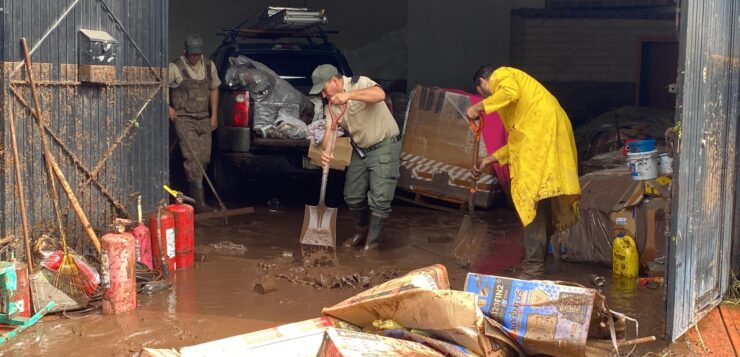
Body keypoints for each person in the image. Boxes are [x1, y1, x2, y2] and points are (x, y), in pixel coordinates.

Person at [467, 65, 580, 278]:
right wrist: (490, 159)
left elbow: (509, 93)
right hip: (543, 136)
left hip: (542, 136)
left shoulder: (501, 75)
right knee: (541, 199)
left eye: (482, 92)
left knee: (529, 199)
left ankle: (533, 268)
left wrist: (478, 107)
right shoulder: (520, 107)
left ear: (483, 82)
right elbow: (518, 140)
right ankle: (538, 264)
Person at [310, 64, 401, 251]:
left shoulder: (360, 83)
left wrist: (348, 96)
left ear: (334, 81)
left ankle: (372, 244)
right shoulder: (331, 105)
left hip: (384, 145)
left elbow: (380, 95)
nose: (323, 95)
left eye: (324, 90)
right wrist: (327, 150)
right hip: (361, 150)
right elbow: (330, 131)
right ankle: (362, 231)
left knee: (380, 199)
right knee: (352, 195)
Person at [168, 34, 220, 212]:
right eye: (192, 55)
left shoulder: (209, 65)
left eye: (197, 54)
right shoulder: (175, 67)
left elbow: (214, 89)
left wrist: (214, 115)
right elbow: (162, 87)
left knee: (204, 158)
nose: (195, 58)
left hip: (204, 117)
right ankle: (200, 204)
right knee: (193, 158)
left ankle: (197, 199)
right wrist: (169, 106)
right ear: (185, 52)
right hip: (184, 118)